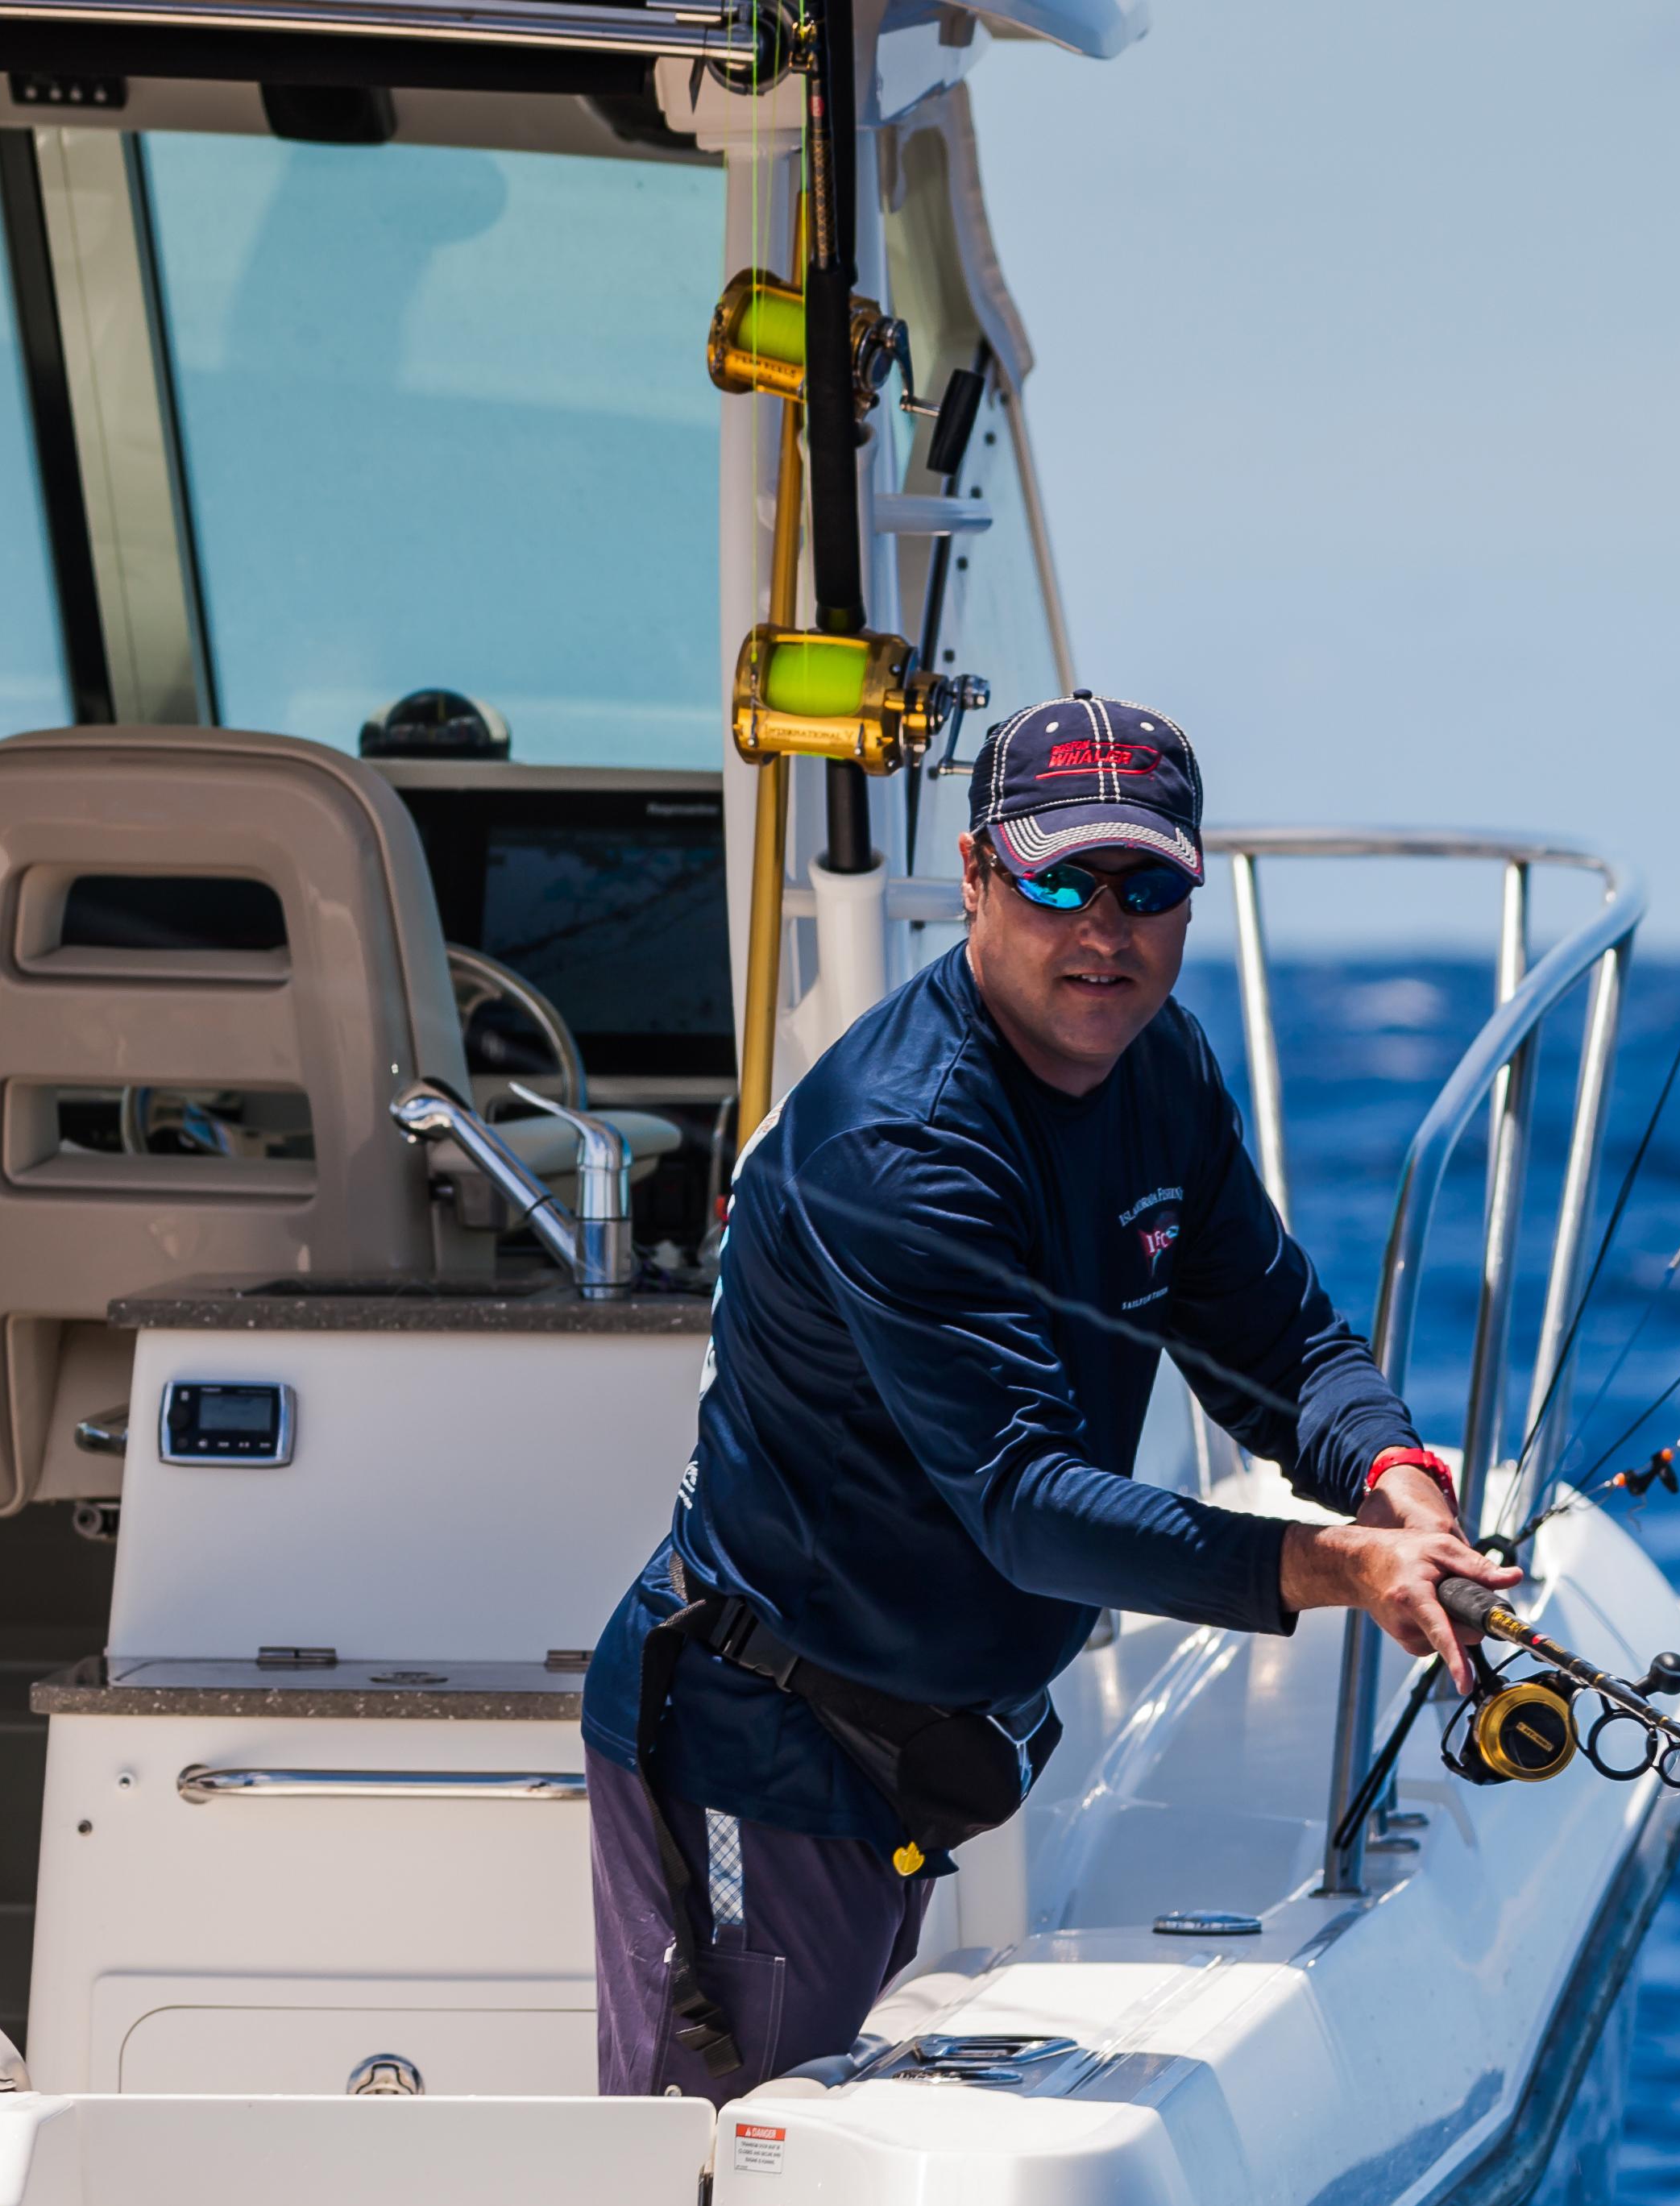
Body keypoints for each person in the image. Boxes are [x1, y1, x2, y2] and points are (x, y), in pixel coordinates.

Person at [578, 692, 1515, 2096]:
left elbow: (1279, 1339)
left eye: (1145, 887)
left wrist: (1402, 1486)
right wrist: (1343, 1568)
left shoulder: (1161, 1065)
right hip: (759, 1756)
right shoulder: (901, 1141)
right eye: (1057, 878)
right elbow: (1027, 1509)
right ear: (974, 879)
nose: (1103, 927)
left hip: (915, 1749)